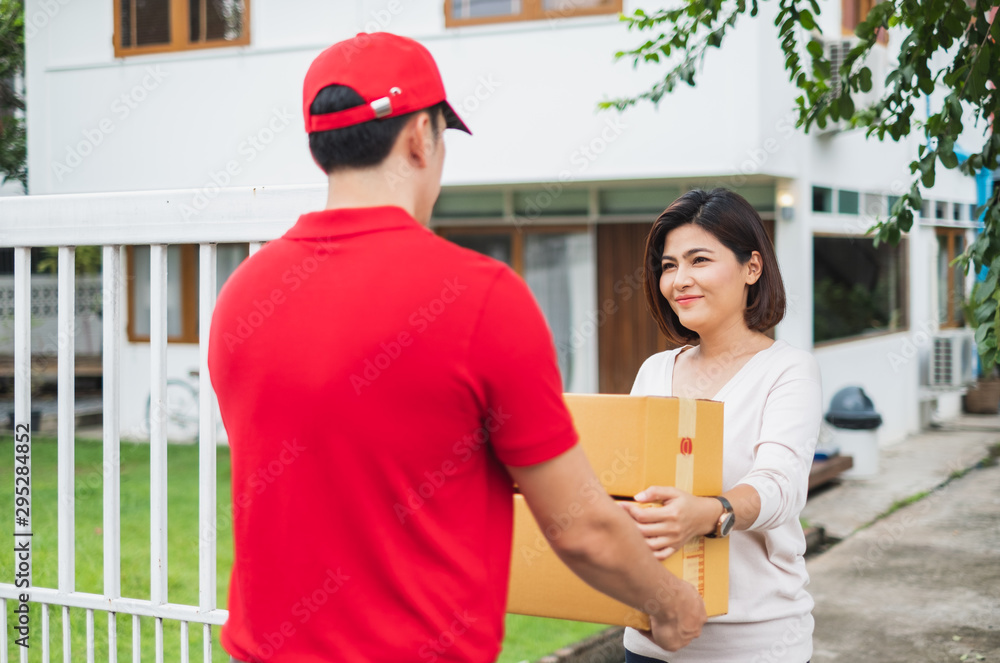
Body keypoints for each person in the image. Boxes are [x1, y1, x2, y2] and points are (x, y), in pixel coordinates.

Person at [208, 32, 706, 663]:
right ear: (421, 136)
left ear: (321, 152)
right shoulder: (480, 297)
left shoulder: (243, 294)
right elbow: (581, 527)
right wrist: (672, 604)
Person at [619, 188, 822, 663]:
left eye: (699, 260)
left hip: (755, 644)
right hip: (650, 640)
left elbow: (780, 485)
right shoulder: (655, 371)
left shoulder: (788, 370)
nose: (679, 280)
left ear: (752, 267)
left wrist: (709, 513)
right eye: (669, 266)